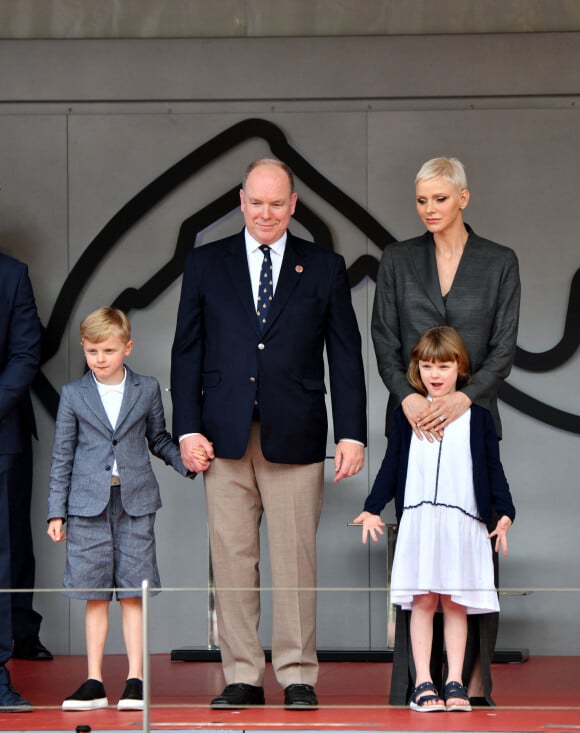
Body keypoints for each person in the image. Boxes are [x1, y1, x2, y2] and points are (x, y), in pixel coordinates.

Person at [171, 158, 367, 709]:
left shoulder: (324, 266)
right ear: (241, 200)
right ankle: (242, 674)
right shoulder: (207, 264)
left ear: (294, 205)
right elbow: (186, 352)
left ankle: (299, 674)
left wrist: (352, 433)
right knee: (232, 559)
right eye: (256, 202)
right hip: (221, 438)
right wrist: (186, 429)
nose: (265, 213)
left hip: (297, 435)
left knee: (295, 558)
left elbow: (345, 357)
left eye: (276, 204)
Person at [371, 156, 520, 705]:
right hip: (410, 423)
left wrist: (463, 397)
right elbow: (384, 339)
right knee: (418, 565)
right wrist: (409, 398)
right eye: (420, 200)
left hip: (472, 425)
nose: (428, 209)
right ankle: (418, 684)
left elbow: (504, 349)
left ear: (463, 197)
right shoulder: (396, 259)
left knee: (468, 561)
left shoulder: (500, 261)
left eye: (438, 198)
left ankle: (471, 684)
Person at [353, 326, 516, 712]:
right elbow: (391, 468)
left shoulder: (478, 418)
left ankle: (455, 682)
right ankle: (423, 682)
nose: (435, 374)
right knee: (423, 601)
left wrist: (506, 512)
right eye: (427, 365)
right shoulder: (406, 414)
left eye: (443, 365)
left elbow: (494, 470)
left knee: (457, 603)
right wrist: (372, 506)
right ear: (417, 368)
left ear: (460, 367)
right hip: (421, 520)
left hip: (465, 524)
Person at [47, 307, 198, 711]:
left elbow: (159, 438)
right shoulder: (74, 394)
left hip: (135, 503)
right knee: (94, 594)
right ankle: (94, 681)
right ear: (83, 347)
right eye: (93, 350)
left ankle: (136, 681)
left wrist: (186, 461)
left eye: (109, 350)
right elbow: (62, 455)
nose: (101, 358)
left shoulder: (146, 389)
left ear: (127, 348)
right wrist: (55, 513)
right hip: (86, 507)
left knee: (134, 593)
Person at [0, 252, 41, 712]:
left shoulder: (13, 274)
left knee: (3, 559)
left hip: (1, 435)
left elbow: (26, 352)